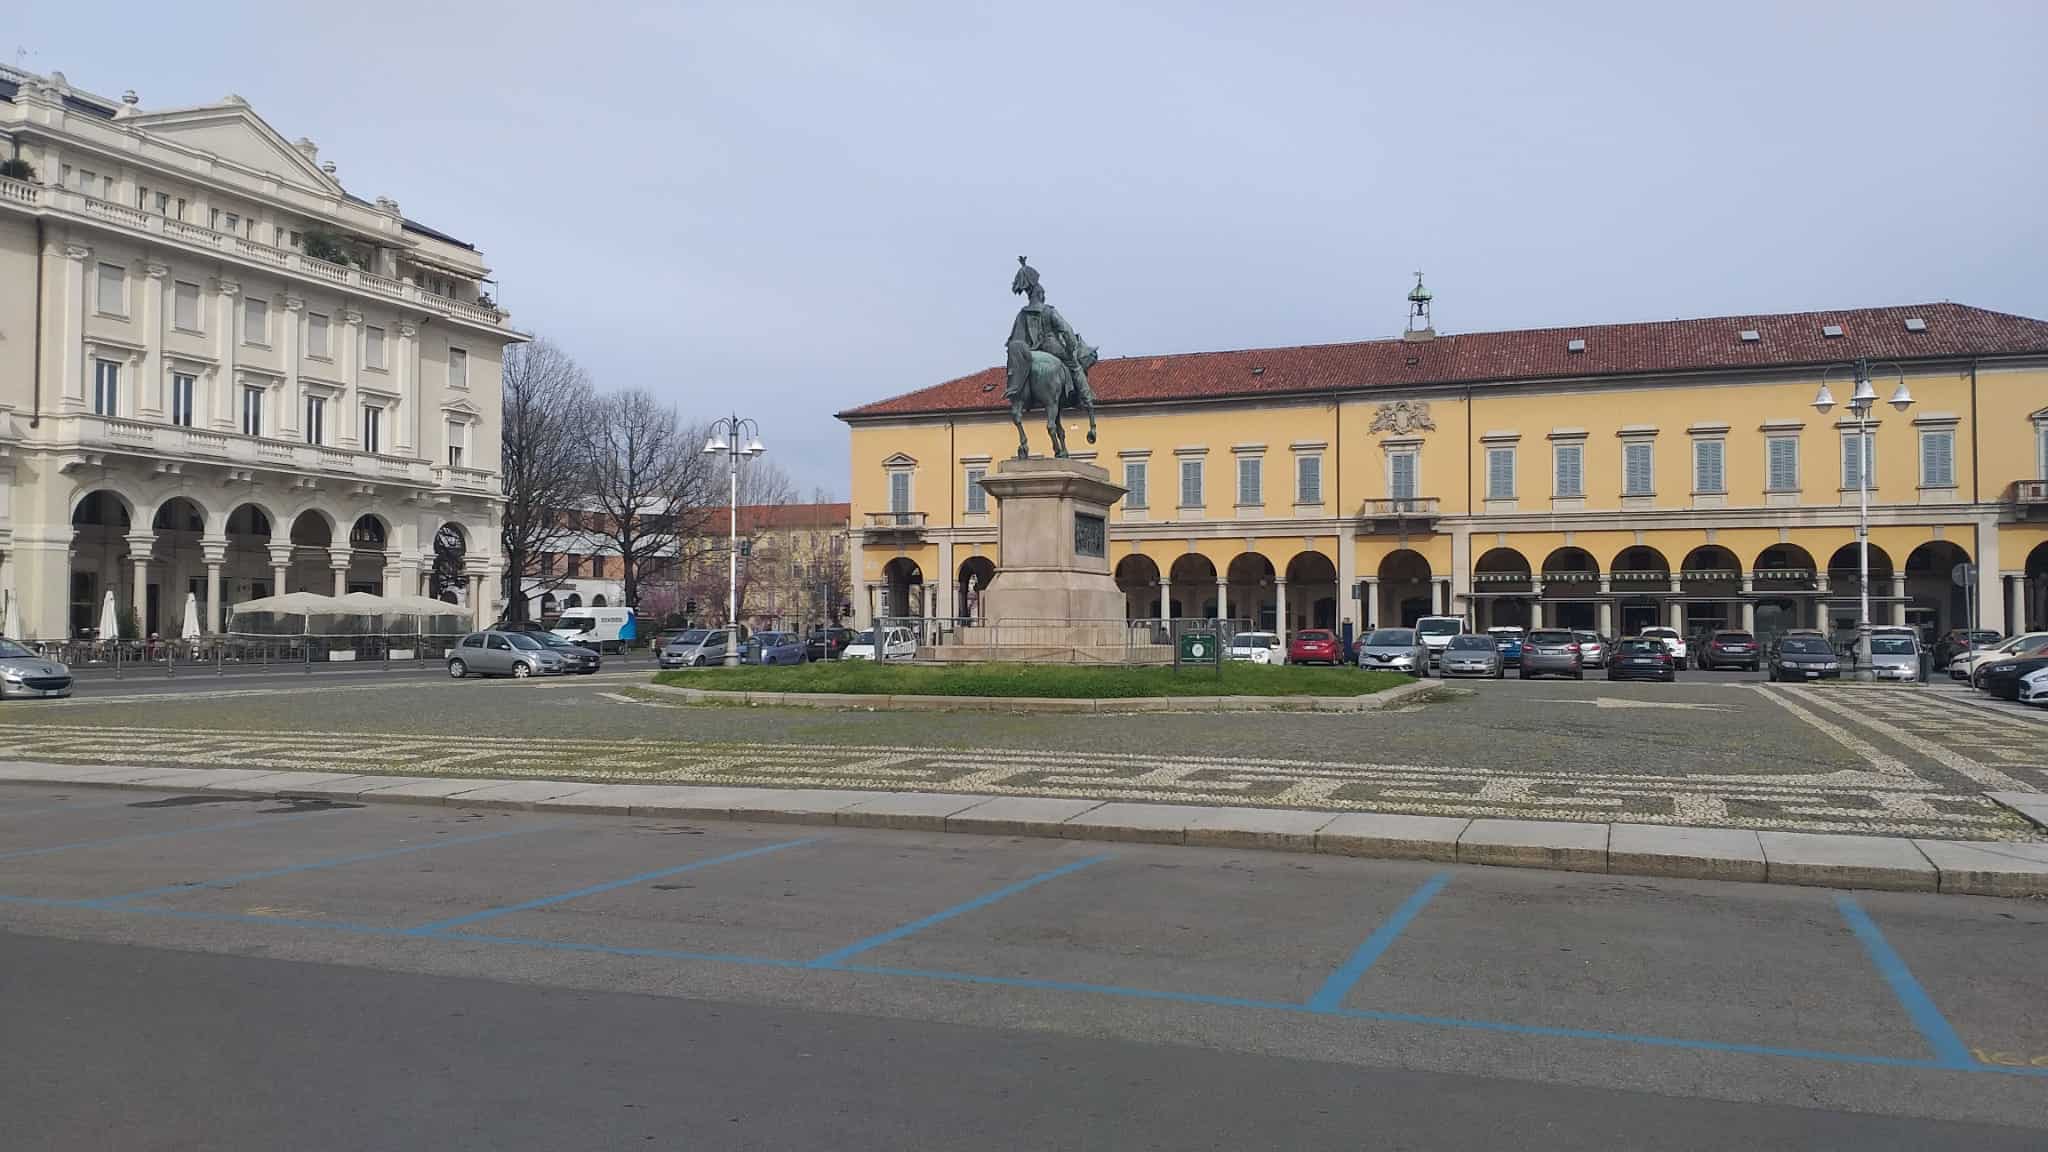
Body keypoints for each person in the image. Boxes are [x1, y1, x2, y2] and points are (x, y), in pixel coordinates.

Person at [1002, 258, 1095, 412]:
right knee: (1076, 367)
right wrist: (1071, 347)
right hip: (1052, 347)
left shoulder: (1022, 314)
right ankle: (1086, 399)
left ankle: (1020, 398)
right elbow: (1066, 329)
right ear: (1041, 295)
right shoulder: (1049, 311)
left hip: (1031, 351)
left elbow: (1015, 340)